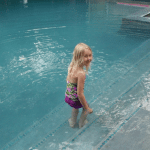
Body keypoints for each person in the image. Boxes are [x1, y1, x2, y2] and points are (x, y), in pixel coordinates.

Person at [65, 43, 93, 128]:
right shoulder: (81, 73)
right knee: (86, 108)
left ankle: (72, 122)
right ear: (78, 57)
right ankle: (82, 123)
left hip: (68, 97)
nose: (89, 58)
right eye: (85, 56)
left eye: (90, 55)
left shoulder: (71, 65)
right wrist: (87, 108)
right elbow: (80, 94)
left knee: (75, 108)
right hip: (76, 98)